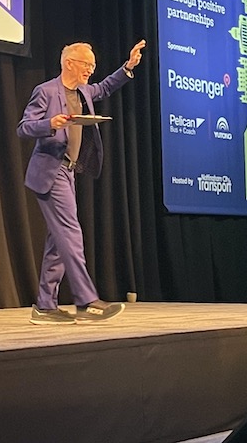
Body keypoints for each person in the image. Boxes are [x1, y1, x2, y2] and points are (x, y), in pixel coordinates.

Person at [17, 39, 146, 324]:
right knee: (71, 235)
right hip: (51, 172)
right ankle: (87, 301)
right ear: (69, 63)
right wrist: (49, 124)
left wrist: (128, 67)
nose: (90, 70)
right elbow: (24, 128)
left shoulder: (84, 91)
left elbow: (105, 87)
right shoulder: (46, 91)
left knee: (58, 241)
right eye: (87, 64)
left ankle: (45, 306)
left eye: (93, 65)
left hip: (69, 172)